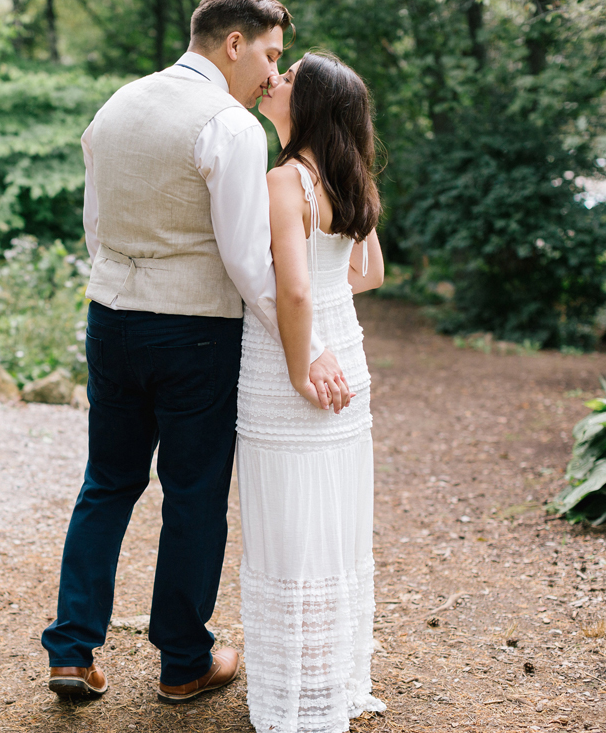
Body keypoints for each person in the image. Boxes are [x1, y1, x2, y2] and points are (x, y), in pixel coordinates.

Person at [40, 0, 352, 705]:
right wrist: (307, 348)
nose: (273, 71)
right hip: (196, 331)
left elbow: (97, 225)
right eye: (271, 56)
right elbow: (247, 262)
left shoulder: (119, 103)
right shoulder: (231, 127)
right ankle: (183, 659)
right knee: (193, 495)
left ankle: (71, 647)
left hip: (110, 317)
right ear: (235, 43)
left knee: (108, 482)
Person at [236, 51, 387, 733]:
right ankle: (328, 673)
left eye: (290, 77)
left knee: (290, 525)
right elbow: (370, 273)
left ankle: (297, 693)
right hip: (345, 354)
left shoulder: (284, 180)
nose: (276, 80)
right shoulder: (346, 177)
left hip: (290, 365)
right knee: (330, 519)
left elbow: (293, 289)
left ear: (311, 106)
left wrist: (301, 357)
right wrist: (326, 318)